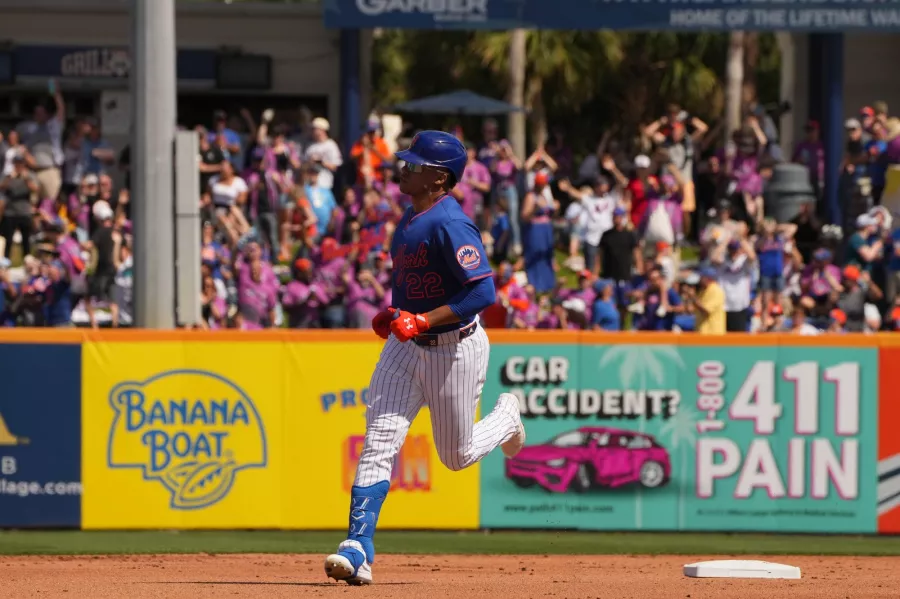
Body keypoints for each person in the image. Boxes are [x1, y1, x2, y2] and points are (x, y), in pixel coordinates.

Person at [324, 130, 525, 586]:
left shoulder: (450, 223)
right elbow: (412, 286)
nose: (404, 168)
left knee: (456, 456)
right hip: (405, 345)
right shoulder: (411, 218)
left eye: (414, 164)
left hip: (454, 347)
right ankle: (358, 547)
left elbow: (483, 291)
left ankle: (507, 415)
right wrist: (395, 316)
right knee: (379, 439)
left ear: (439, 177)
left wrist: (422, 320)